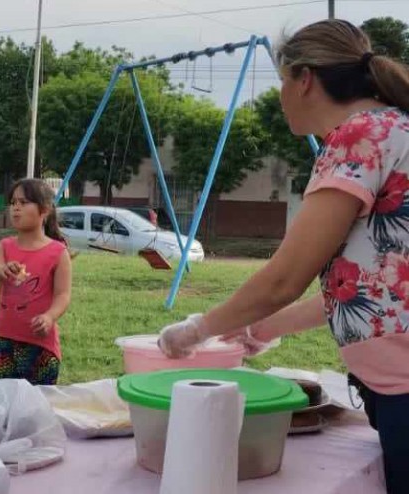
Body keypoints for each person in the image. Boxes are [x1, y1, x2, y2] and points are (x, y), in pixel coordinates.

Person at [157, 19, 409, 493]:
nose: (280, 95)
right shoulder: (397, 130)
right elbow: (369, 290)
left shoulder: (361, 136)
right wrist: (259, 329)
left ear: (304, 78)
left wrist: (194, 331)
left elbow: (285, 278)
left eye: (280, 82)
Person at [0, 178, 72, 385]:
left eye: (24, 203)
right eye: (13, 203)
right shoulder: (4, 247)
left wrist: (49, 317)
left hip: (41, 346)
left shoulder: (58, 252)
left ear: (44, 210)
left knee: (38, 406)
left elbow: (63, 295)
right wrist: (2, 270)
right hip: (5, 342)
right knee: (6, 402)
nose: (16, 208)